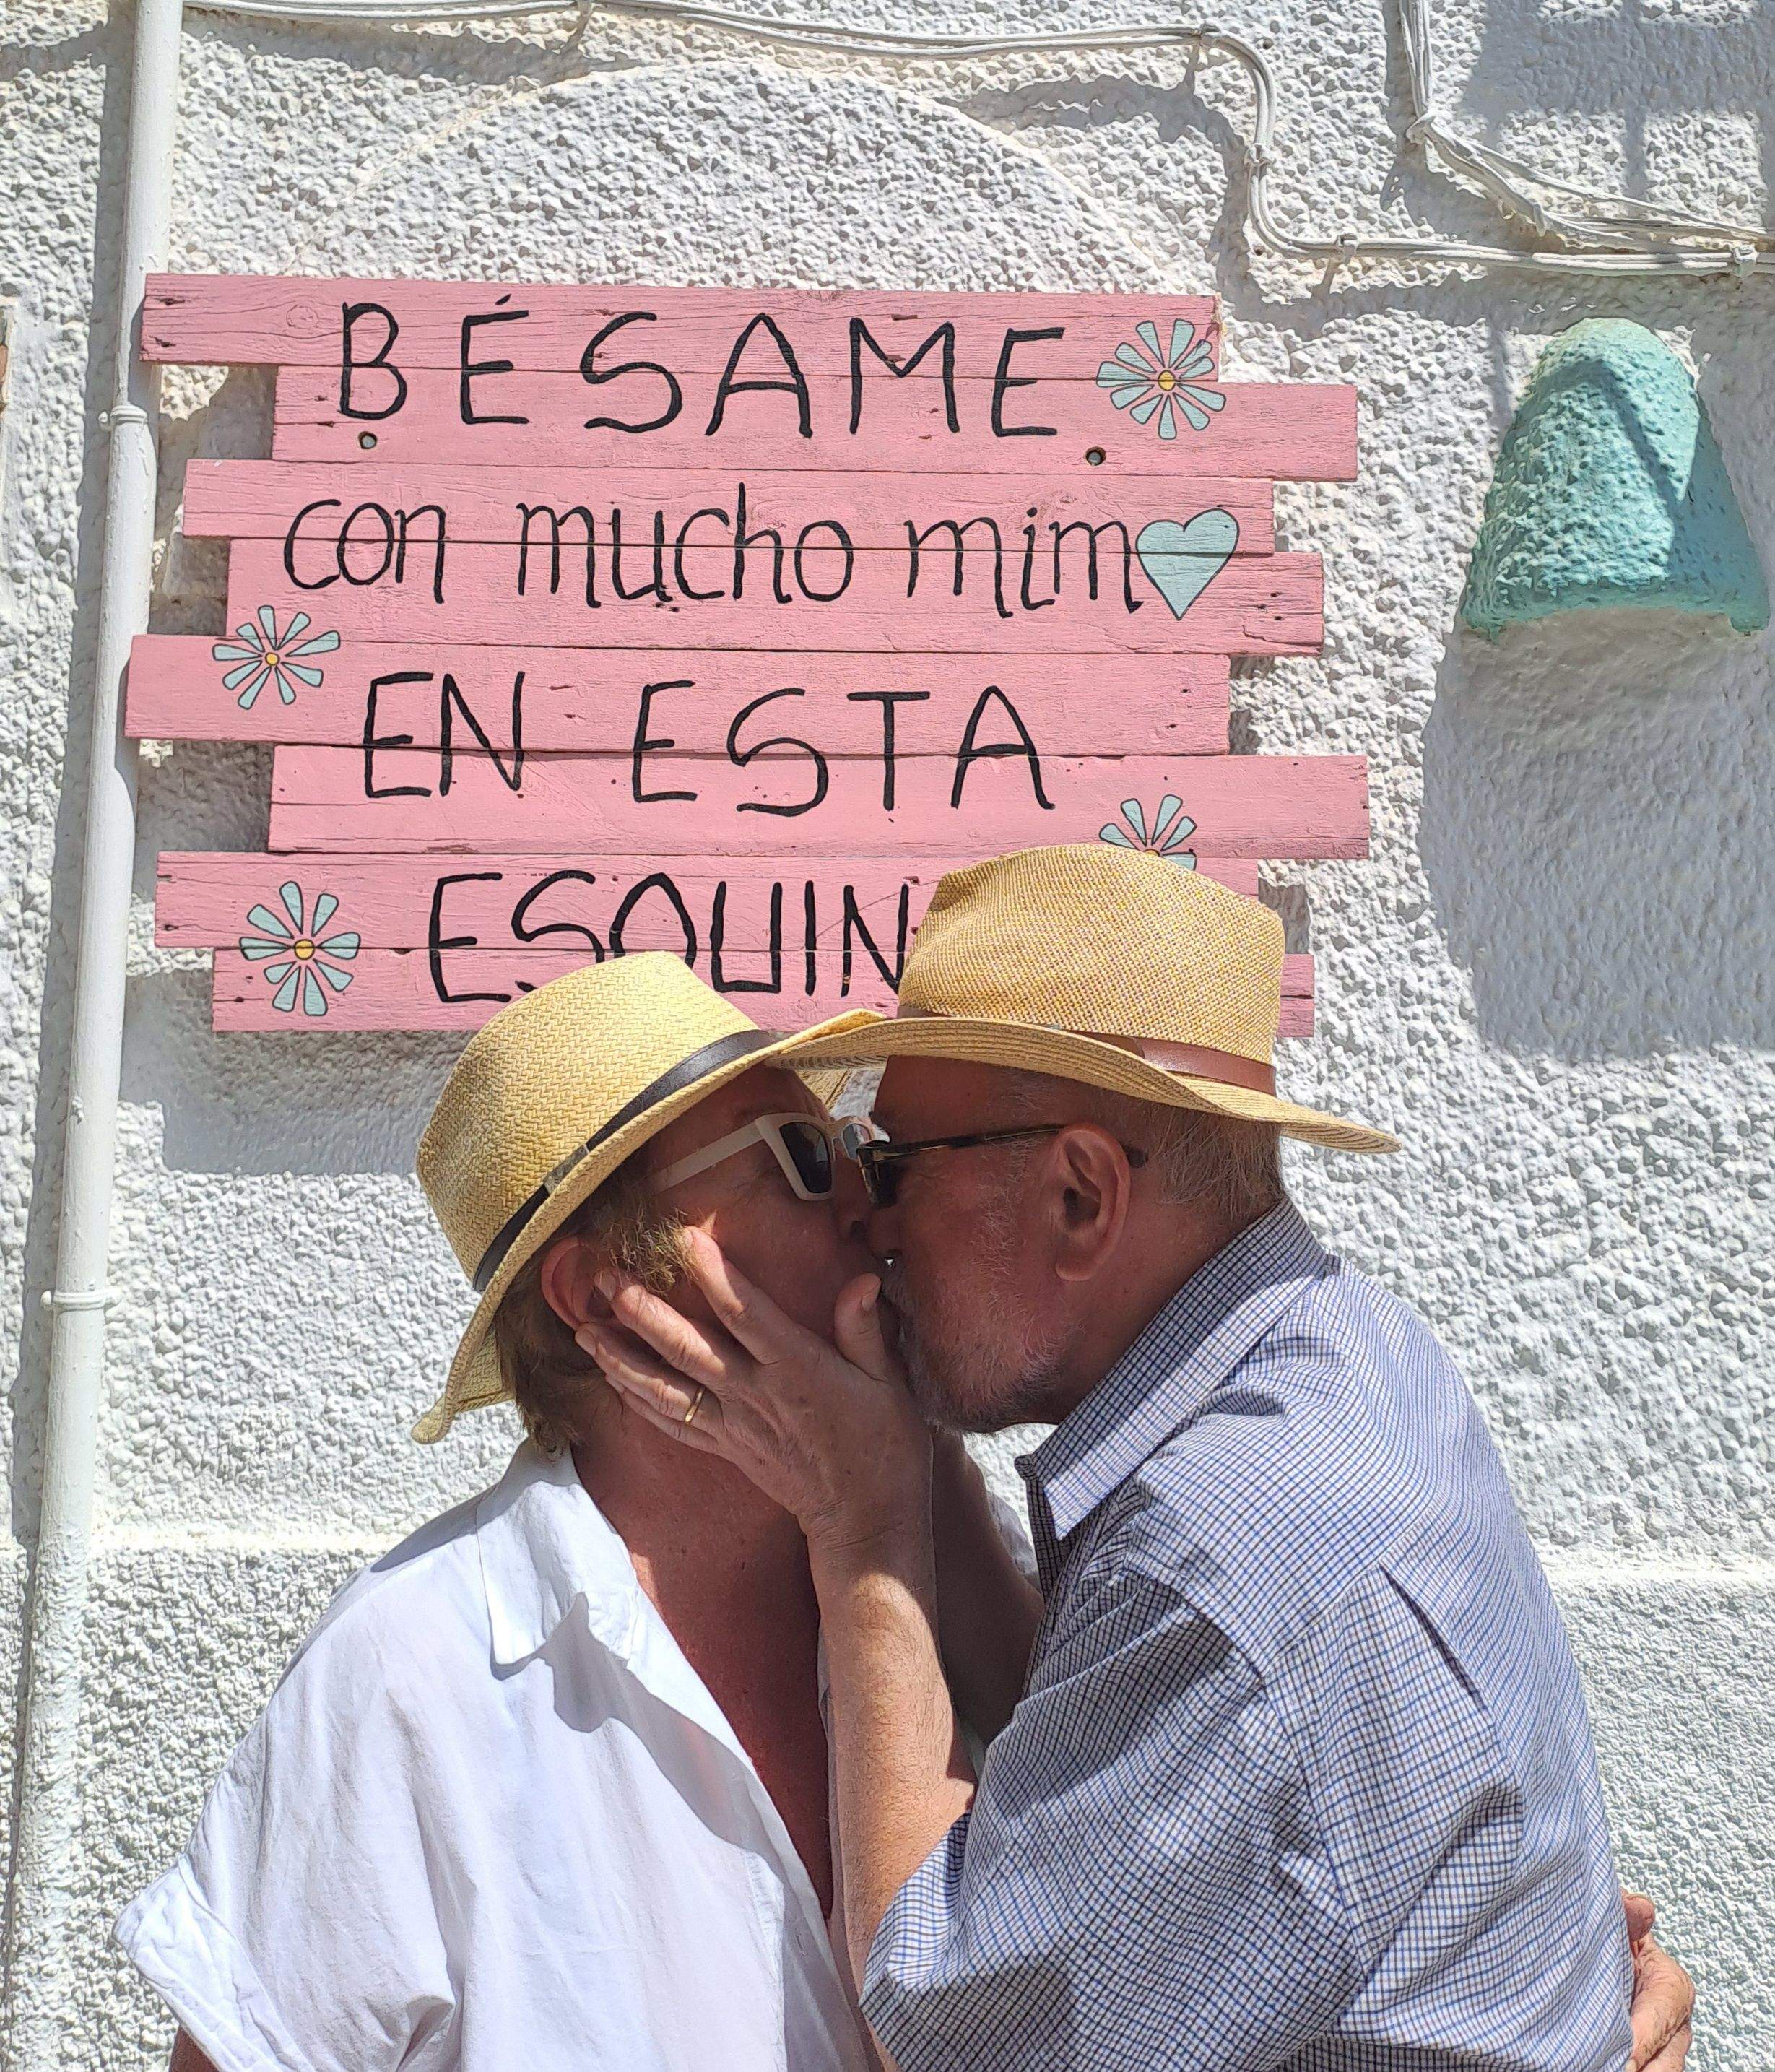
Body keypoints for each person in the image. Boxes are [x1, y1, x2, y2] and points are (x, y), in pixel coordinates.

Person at [579, 842, 1696, 2072]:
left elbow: (948, 2039)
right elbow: (1065, 1767)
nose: (867, 1216)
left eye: (890, 1163)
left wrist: (863, 1532)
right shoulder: (1344, 1351)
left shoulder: (1214, 1560)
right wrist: (905, 1438)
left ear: (1078, 1198)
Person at [113, 955, 1038, 2072]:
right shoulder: (419, 1669)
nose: (870, 1200)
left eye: (850, 1149)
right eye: (800, 1158)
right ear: (607, 1296)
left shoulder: (966, 1588)